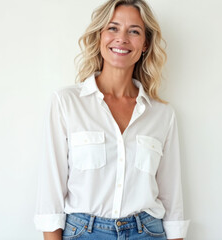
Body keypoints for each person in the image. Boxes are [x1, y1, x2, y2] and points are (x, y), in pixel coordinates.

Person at [34, 0, 190, 239]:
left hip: (147, 232)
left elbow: (172, 200)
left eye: (134, 31)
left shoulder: (162, 115)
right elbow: (50, 197)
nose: (122, 38)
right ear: (99, 37)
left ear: (145, 44)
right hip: (82, 232)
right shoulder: (66, 103)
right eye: (113, 28)